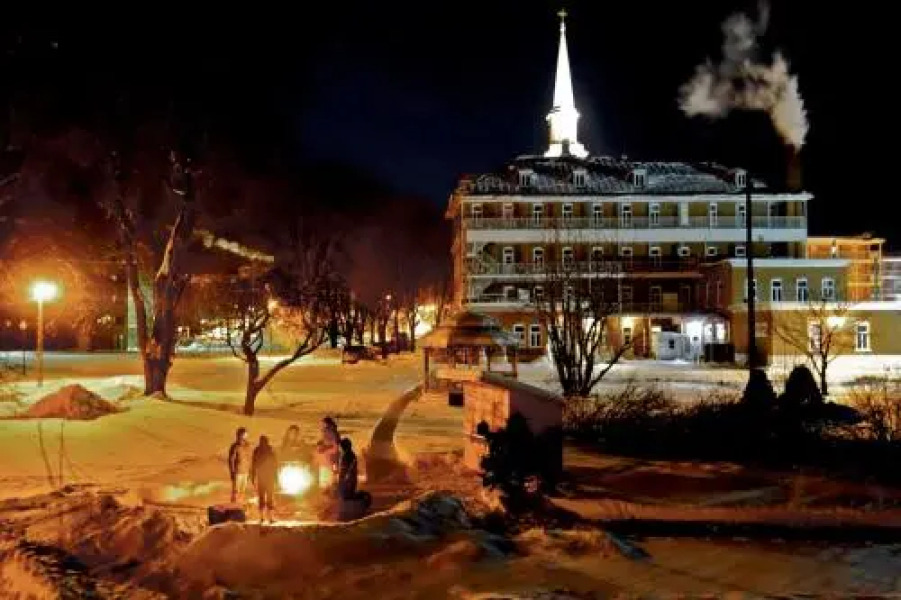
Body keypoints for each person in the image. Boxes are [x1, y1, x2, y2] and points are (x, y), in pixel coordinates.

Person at [250, 435, 279, 523]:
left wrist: (253, 476)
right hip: (268, 477)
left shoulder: (257, 450)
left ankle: (263, 518)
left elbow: (254, 464)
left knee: (262, 497)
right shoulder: (270, 450)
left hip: (262, 477)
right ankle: (269, 518)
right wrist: (276, 477)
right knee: (268, 497)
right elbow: (275, 464)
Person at [227, 427, 251, 504]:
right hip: (237, 472)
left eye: (246, 434)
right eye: (244, 434)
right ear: (240, 435)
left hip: (245, 472)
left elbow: (249, 458)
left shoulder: (247, 446)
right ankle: (233, 506)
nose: (246, 436)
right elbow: (231, 460)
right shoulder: (235, 446)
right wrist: (232, 472)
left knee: (242, 492)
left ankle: (239, 505)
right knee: (235, 492)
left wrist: (249, 470)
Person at [315, 417, 340, 487]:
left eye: (323, 423)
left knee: (330, 481)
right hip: (324, 460)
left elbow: (335, 446)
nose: (321, 424)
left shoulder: (331, 433)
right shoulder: (324, 432)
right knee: (325, 482)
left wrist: (325, 448)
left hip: (330, 459)